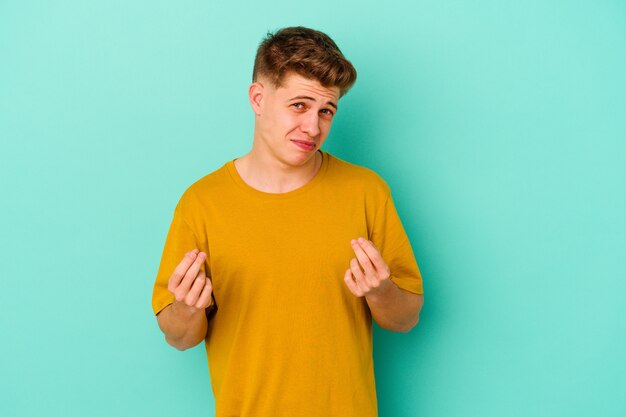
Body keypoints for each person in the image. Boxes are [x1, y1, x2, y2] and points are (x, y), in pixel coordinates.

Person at [152, 26, 424, 417]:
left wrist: (380, 292)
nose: (313, 128)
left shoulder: (367, 192)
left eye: (326, 111)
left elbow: (406, 319)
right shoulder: (202, 203)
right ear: (258, 98)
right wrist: (188, 309)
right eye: (299, 105)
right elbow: (178, 338)